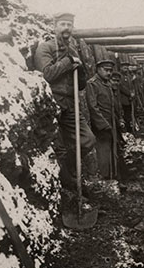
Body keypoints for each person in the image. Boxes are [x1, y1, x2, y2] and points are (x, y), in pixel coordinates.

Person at [34, 12, 96, 190]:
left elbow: (81, 85)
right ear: (54, 27)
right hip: (51, 106)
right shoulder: (44, 48)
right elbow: (47, 74)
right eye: (63, 24)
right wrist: (68, 62)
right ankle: (67, 186)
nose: (67, 28)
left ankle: (70, 168)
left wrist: (80, 68)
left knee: (88, 140)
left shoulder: (73, 51)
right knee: (58, 148)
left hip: (70, 105)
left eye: (70, 24)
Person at [86, 60, 120, 179]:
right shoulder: (93, 84)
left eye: (110, 70)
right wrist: (103, 124)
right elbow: (93, 106)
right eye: (106, 70)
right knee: (103, 151)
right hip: (101, 125)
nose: (109, 73)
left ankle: (113, 175)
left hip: (111, 122)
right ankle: (104, 178)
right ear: (98, 69)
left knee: (113, 150)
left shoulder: (107, 84)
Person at [119, 63, 135, 132]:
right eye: (124, 68)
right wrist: (129, 94)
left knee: (128, 114)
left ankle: (129, 128)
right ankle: (125, 130)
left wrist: (133, 94)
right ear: (121, 68)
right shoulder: (119, 77)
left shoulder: (128, 77)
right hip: (123, 99)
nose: (126, 69)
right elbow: (121, 87)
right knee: (124, 115)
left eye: (126, 68)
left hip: (129, 100)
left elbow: (131, 86)